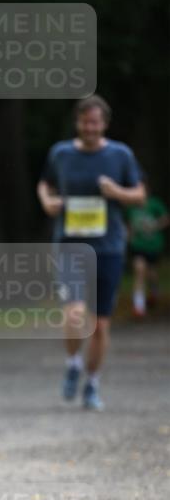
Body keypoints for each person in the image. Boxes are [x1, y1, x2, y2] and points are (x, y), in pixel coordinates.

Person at [37, 95, 145, 411]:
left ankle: (92, 383)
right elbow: (44, 184)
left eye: (96, 122)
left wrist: (117, 192)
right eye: (85, 121)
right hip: (70, 244)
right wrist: (47, 201)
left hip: (108, 247)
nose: (90, 127)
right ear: (78, 123)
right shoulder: (61, 153)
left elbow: (139, 194)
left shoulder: (120, 155)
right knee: (74, 312)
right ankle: (73, 362)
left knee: (100, 324)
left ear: (105, 124)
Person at [126, 188, 168, 316]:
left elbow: (166, 219)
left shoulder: (155, 204)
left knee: (151, 273)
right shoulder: (131, 208)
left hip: (154, 246)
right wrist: (129, 236)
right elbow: (130, 226)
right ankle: (139, 306)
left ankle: (154, 292)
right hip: (138, 247)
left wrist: (154, 225)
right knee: (139, 270)